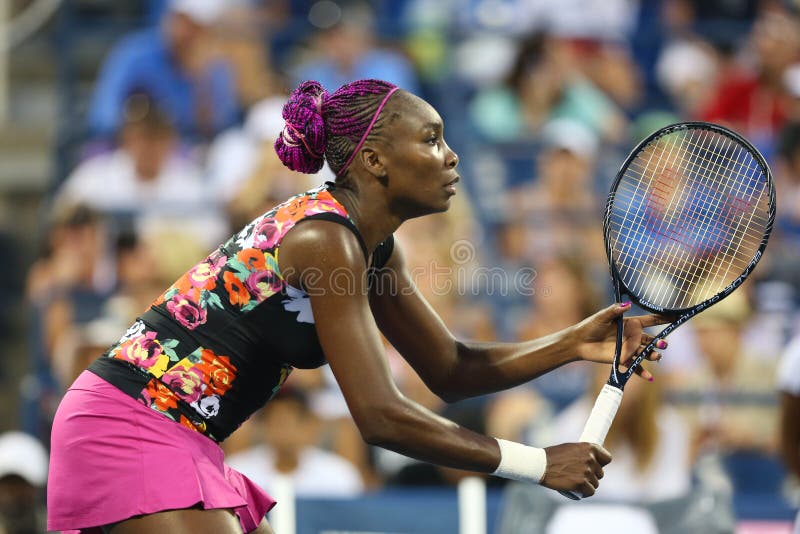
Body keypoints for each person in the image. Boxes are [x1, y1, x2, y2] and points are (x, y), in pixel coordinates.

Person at [47, 79, 668, 533]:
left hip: (185, 437)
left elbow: (451, 370)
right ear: (374, 161)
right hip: (126, 426)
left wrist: (573, 343)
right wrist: (536, 463)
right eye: (431, 140)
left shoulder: (375, 250)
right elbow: (380, 417)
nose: (451, 156)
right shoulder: (325, 240)